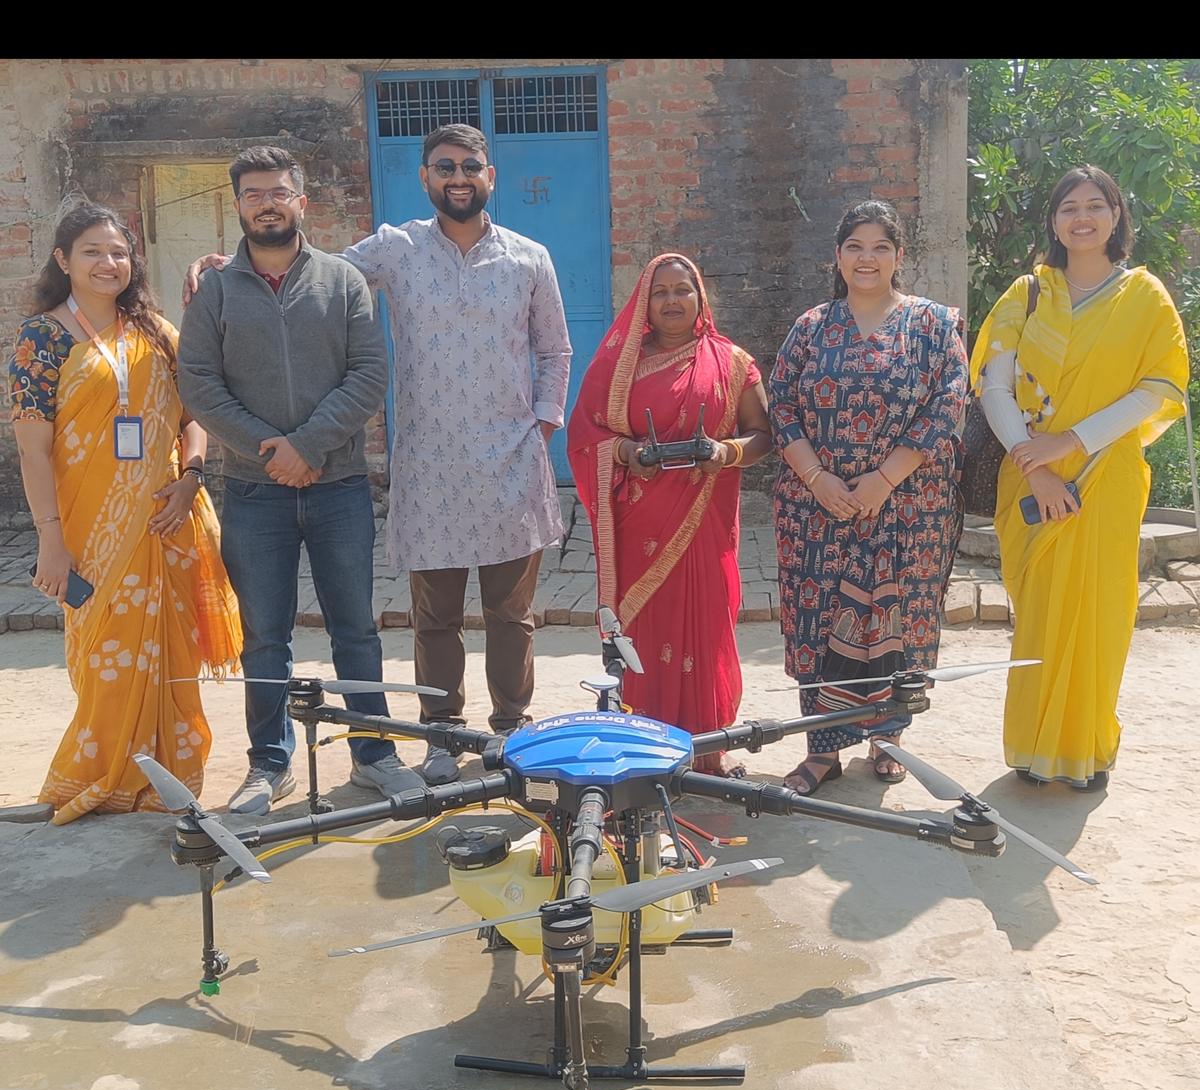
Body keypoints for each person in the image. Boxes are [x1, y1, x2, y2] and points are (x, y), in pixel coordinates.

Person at [184, 125, 571, 785]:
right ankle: (443, 735)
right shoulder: (396, 250)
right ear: (425, 178)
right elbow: (312, 272)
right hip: (429, 467)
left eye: (469, 166)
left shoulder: (529, 258)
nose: (457, 177)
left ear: (490, 176)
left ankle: (511, 728)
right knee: (435, 617)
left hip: (511, 462)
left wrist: (542, 425)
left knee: (512, 614)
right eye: (444, 167)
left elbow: (554, 349)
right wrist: (226, 265)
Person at [178, 146, 422, 815]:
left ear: (301, 202)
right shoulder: (215, 291)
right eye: (254, 194)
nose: (267, 204)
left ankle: (373, 752)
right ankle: (269, 762)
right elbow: (198, 384)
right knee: (264, 635)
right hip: (254, 492)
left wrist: (307, 446)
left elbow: (368, 373)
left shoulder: (342, 281)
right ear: (238, 205)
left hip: (338, 485)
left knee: (356, 628)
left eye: (278, 192)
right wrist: (271, 452)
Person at [8, 202, 242, 824]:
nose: (108, 263)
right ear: (63, 261)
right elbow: (33, 451)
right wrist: (50, 540)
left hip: (165, 522)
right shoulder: (42, 339)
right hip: (89, 532)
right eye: (91, 251)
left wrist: (191, 479)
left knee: (172, 655)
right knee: (103, 655)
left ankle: (169, 774)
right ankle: (97, 773)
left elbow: (193, 416)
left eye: (118, 252)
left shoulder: (157, 333)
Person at [970, 165, 1188, 791]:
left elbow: (1157, 388)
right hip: (1029, 477)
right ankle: (1033, 749)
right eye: (1069, 207)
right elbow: (994, 385)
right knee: (1039, 613)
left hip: (1105, 476)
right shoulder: (1027, 294)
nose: (1082, 217)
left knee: (1099, 614)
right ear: (1054, 221)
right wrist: (1036, 463)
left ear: (1116, 216)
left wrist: (1071, 442)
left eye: (1096, 205)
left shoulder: (1145, 297)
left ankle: (1086, 749)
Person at [770, 200, 968, 796]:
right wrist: (817, 479)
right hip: (817, 511)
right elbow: (781, 404)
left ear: (898, 255)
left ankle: (888, 739)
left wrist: (884, 479)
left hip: (908, 509)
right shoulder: (811, 327)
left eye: (881, 246)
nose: (867, 258)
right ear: (837, 256)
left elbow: (948, 404)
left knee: (898, 618)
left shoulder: (933, 326)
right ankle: (822, 750)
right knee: (817, 621)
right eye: (855, 246)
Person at [567, 254, 771, 774]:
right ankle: (642, 746)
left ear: (701, 297)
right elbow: (586, 436)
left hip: (704, 523)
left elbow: (762, 435)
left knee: (707, 626)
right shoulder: (617, 366)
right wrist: (628, 452)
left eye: (683, 290)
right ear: (644, 303)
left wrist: (724, 452)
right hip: (640, 526)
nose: (673, 300)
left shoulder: (732, 362)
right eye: (660, 292)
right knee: (644, 631)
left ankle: (708, 750)